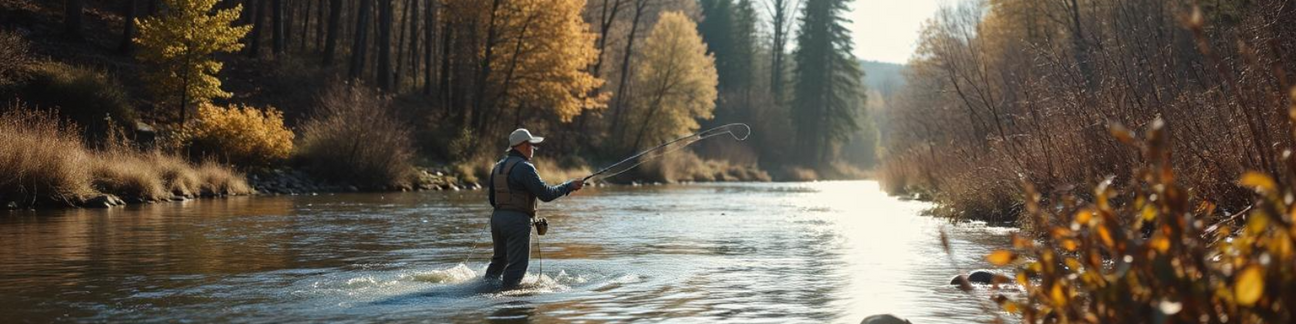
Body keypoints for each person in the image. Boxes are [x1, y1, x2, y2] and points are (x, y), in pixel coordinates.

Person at [484, 128, 584, 290]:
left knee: (499, 261)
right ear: (523, 145)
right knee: (518, 265)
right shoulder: (525, 168)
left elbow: (492, 199)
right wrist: (569, 186)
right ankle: (508, 301)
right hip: (517, 222)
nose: (533, 149)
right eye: (532, 145)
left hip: (497, 219)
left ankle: (485, 288)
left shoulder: (498, 167)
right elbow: (546, 194)